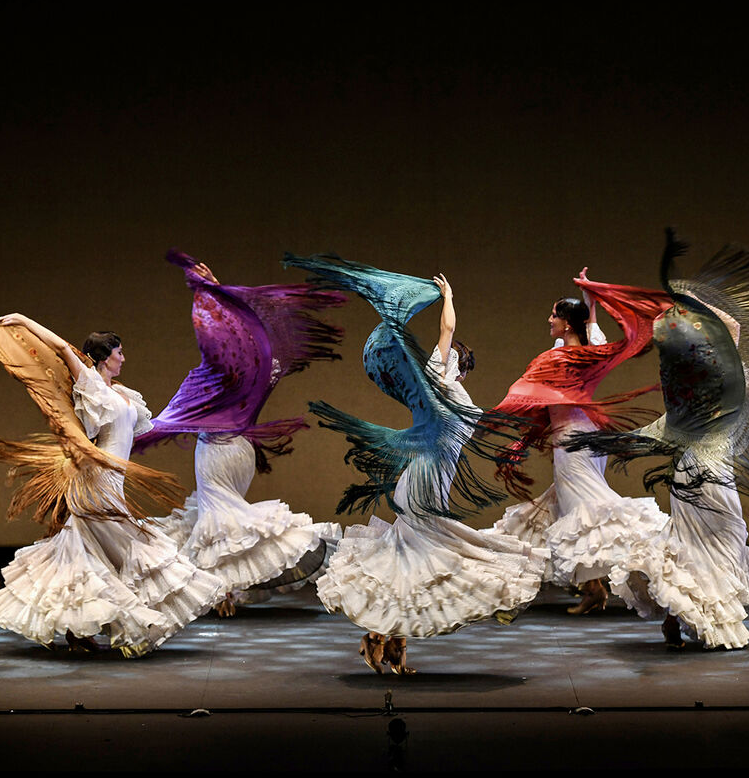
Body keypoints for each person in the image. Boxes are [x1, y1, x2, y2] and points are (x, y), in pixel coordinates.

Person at [562, 230, 749, 648]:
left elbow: (726, 329)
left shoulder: (690, 388)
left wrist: (678, 303)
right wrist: (687, 298)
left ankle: (676, 616)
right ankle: (698, 618)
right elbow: (731, 325)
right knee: (719, 538)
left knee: (696, 541)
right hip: (709, 469)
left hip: (693, 469)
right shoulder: (715, 381)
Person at [284, 255, 547, 674]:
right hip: (423, 481)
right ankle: (381, 638)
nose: (449, 357)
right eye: (451, 355)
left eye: (455, 357)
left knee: (412, 562)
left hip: (430, 481)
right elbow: (446, 331)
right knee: (419, 559)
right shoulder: (438, 382)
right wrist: (447, 298)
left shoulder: (453, 394)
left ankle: (389, 643)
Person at [0, 314, 225, 657]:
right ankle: (121, 622)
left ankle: (80, 627)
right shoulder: (90, 383)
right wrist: (23, 320)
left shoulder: (122, 394)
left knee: (88, 552)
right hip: (96, 480)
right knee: (121, 547)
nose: (124, 358)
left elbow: (138, 431)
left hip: (113, 479)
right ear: (103, 356)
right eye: (119, 352)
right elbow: (61, 347)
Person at [134, 251, 346, 615]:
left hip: (217, 451)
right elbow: (246, 335)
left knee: (218, 519)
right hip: (241, 449)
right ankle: (226, 589)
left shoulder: (210, 385)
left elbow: (221, 344)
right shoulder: (250, 380)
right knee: (222, 515)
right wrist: (216, 292)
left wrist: (210, 295)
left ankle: (220, 592)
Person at [489, 269, 673, 614]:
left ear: (566, 324)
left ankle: (654, 550)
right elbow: (593, 334)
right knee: (567, 507)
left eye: (554, 315)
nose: (549, 320)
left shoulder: (560, 358)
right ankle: (592, 588)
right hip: (584, 437)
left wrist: (499, 418)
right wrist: (590, 299)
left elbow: (529, 390)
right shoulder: (582, 352)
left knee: (586, 508)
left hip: (573, 441)